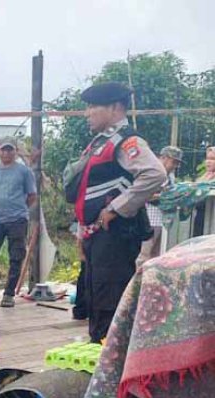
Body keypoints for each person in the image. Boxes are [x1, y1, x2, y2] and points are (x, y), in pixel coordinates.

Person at [63, 82, 166, 343]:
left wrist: (115, 208)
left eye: (92, 107)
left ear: (115, 107)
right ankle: (100, 348)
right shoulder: (100, 142)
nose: (87, 113)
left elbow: (155, 173)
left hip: (115, 235)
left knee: (111, 295)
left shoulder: (127, 141)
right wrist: (82, 229)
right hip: (96, 235)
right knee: (95, 293)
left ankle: (112, 357)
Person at [0, 136, 37, 306]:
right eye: (3, 149)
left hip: (17, 220)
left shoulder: (24, 171)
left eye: (10, 149)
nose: (7, 152)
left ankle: (8, 294)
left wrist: (19, 210)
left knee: (16, 257)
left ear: (15, 151)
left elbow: (32, 195)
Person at [137, 146, 183, 265]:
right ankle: (138, 281)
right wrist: (164, 195)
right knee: (144, 255)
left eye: (177, 163)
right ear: (163, 158)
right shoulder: (152, 172)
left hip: (162, 219)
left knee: (157, 255)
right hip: (148, 218)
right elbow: (141, 194)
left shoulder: (170, 176)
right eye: (174, 162)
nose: (175, 166)